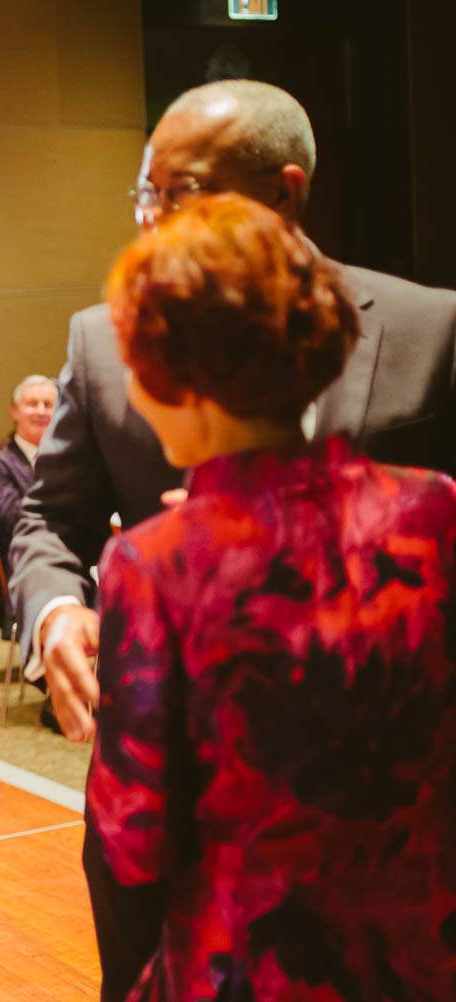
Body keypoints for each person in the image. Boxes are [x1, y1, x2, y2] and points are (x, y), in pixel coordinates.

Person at [9, 78, 456, 746]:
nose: (153, 217)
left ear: (284, 190)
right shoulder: (105, 340)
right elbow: (49, 519)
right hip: (190, 739)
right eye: (145, 192)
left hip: (401, 738)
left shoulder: (433, 328)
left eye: (183, 190)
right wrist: (56, 611)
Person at [88, 192, 456, 1001]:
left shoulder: (155, 564)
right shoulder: (433, 510)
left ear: (185, 378)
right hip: (421, 957)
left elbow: (132, 836)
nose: (135, 395)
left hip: (253, 966)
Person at [0, 374, 56, 636]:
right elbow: (15, 520)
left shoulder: (71, 459)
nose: (41, 411)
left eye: (48, 404)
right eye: (32, 404)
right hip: (29, 565)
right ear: (15, 411)